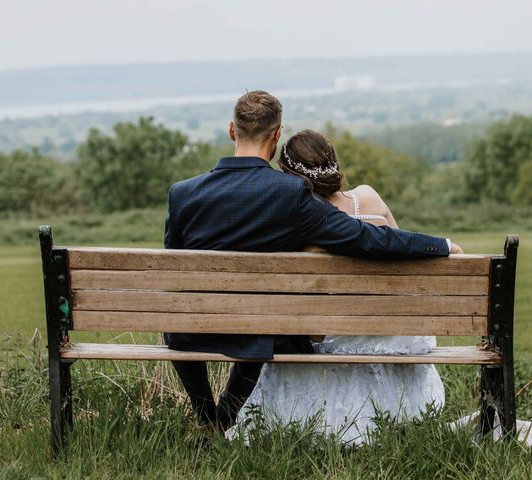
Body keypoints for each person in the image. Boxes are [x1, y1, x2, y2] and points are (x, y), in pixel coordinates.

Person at [163, 90, 462, 437]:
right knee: (265, 321)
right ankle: (222, 419)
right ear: (276, 135)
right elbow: (366, 238)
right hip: (261, 329)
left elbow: (175, 266)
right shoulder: (289, 193)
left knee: (184, 320)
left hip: (193, 326)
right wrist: (440, 245)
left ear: (232, 130)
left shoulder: (182, 193)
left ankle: (207, 417)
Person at [227, 130, 446, 444]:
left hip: (329, 333)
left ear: (290, 177)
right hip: (393, 329)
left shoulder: (302, 225)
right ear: (333, 162)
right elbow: (399, 249)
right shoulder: (368, 198)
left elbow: (310, 322)